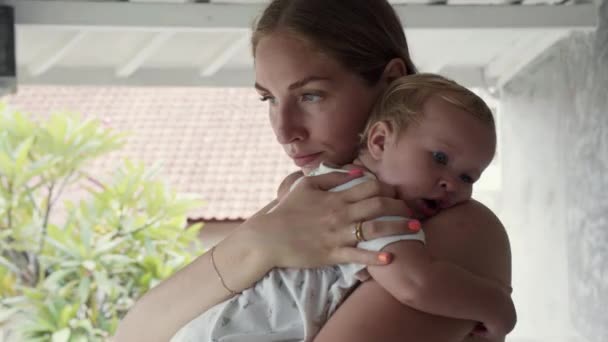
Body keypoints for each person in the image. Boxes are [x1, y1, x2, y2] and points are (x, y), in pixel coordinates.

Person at [114, 1, 514, 341]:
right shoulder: (307, 205)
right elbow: (131, 334)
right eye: (268, 98)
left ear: (390, 80)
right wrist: (261, 241)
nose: (284, 131)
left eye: (311, 95)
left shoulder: (463, 228)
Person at [169, 74, 516, 342]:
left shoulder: (331, 183)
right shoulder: (364, 200)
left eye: (469, 176)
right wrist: (497, 307)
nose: (451, 183)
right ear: (379, 140)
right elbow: (415, 283)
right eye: (440, 158)